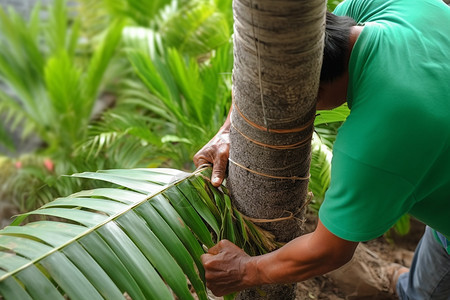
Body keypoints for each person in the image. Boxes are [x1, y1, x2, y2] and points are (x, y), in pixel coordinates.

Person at [193, 0, 450, 299]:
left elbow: (329, 250)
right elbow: (275, 58)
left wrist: (245, 270)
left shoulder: (375, 144)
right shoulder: (398, 5)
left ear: (301, 97)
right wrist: (229, 130)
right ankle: (406, 283)